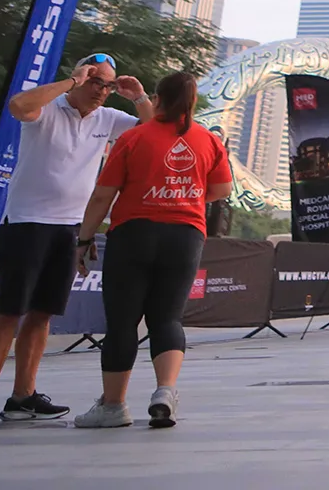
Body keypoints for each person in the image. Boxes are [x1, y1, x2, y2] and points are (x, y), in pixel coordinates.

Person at [0, 55, 149, 430]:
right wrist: (70, 82)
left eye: (108, 85)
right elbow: (18, 106)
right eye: (96, 81)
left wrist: (138, 98)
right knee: (9, 310)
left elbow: (152, 130)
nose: (102, 91)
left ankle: (22, 397)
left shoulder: (108, 119)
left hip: (68, 229)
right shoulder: (48, 108)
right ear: (80, 78)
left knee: (43, 313)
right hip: (26, 223)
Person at [72, 71, 232, 429]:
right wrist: (186, 198)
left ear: (158, 97)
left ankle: (113, 406)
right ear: (191, 102)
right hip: (185, 235)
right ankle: (165, 391)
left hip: (134, 234)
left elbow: (103, 195)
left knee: (123, 322)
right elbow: (222, 188)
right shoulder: (208, 141)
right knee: (168, 319)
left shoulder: (133, 138)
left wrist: (83, 240)